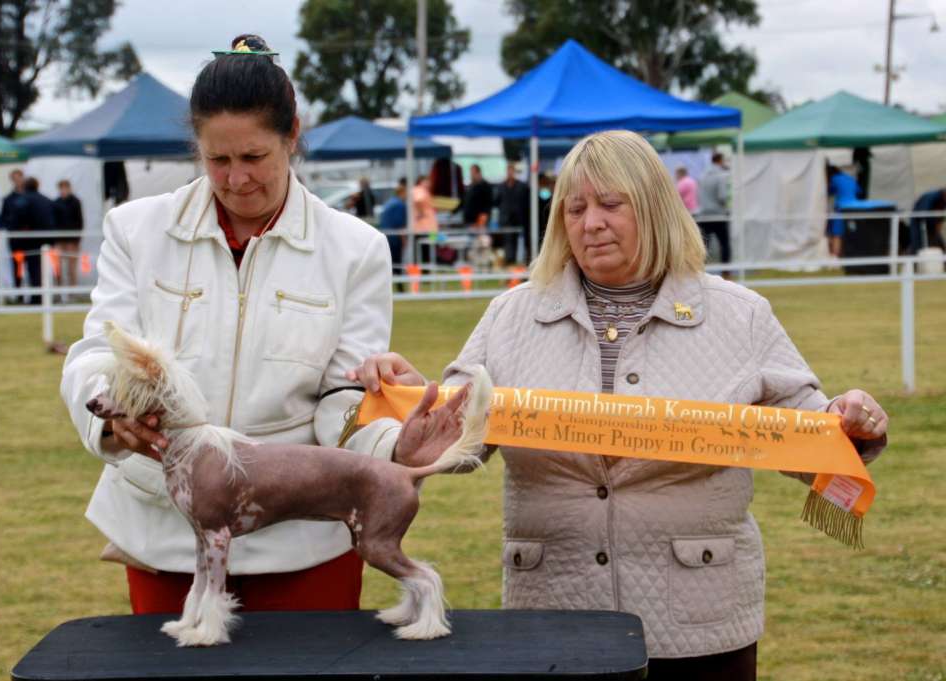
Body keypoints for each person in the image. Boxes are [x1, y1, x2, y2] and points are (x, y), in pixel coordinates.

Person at [350, 131, 889, 680]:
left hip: (700, 622)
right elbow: (459, 439)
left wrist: (850, 423)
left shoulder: (740, 315)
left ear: (655, 208)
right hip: (552, 612)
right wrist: (415, 404)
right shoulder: (510, 315)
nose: (590, 224)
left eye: (611, 204)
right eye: (574, 208)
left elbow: (811, 435)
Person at [60, 33, 454, 616]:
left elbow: (342, 397)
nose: (235, 179)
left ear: (292, 135)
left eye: (254, 158)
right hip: (166, 536)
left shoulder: (356, 248)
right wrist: (112, 418)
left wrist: (393, 443)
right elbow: (97, 354)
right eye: (217, 159)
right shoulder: (134, 230)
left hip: (306, 545)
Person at [18, 177, 57, 304]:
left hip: (30, 240)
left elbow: (19, 218)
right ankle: (44, 296)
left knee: (32, 269)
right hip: (47, 240)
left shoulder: (23, 200)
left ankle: (37, 297)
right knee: (44, 268)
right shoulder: (46, 200)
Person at [697, 152, 731, 266]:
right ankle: (727, 271)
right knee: (724, 244)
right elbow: (722, 196)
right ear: (720, 160)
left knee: (704, 246)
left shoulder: (702, 175)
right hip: (718, 215)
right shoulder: (721, 175)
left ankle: (700, 269)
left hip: (704, 215)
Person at [53, 179, 84, 293]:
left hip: (72, 240)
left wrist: (77, 239)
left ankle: (72, 290)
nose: (64, 190)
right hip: (60, 240)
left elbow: (80, 221)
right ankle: (59, 290)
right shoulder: (56, 203)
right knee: (58, 267)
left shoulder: (75, 202)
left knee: (71, 267)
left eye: (65, 188)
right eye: (62, 188)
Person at [495, 163, 530, 263]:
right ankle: (509, 260)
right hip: (506, 219)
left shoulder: (522, 186)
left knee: (519, 241)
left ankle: (519, 260)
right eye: (508, 171)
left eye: (511, 171)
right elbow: (497, 201)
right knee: (507, 241)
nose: (510, 173)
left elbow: (526, 201)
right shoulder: (501, 186)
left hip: (519, 219)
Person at [1, 169, 29, 293]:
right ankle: (17, 292)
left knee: (33, 266)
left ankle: (36, 295)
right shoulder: (8, 199)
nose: (18, 181)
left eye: (19, 178)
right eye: (15, 179)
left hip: (30, 237)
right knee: (16, 264)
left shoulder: (30, 196)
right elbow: (3, 217)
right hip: (15, 238)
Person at [826, 163, 863, 257]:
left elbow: (826, 192)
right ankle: (852, 254)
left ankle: (834, 256)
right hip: (855, 207)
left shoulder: (834, 179)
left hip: (842, 207)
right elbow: (859, 191)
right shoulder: (850, 178)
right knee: (852, 231)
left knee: (836, 233)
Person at [379, 177, 407, 289]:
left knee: (390, 263)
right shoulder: (400, 205)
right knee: (397, 262)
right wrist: (404, 239)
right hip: (395, 238)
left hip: (386, 236)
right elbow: (399, 224)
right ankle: (400, 286)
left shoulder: (389, 203)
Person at [909, 186, 946, 253]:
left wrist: (938, 222)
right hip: (919, 222)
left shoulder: (941, 199)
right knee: (917, 243)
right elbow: (922, 212)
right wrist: (935, 221)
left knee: (938, 243)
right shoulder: (931, 197)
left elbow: (940, 214)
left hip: (930, 224)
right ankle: (913, 259)